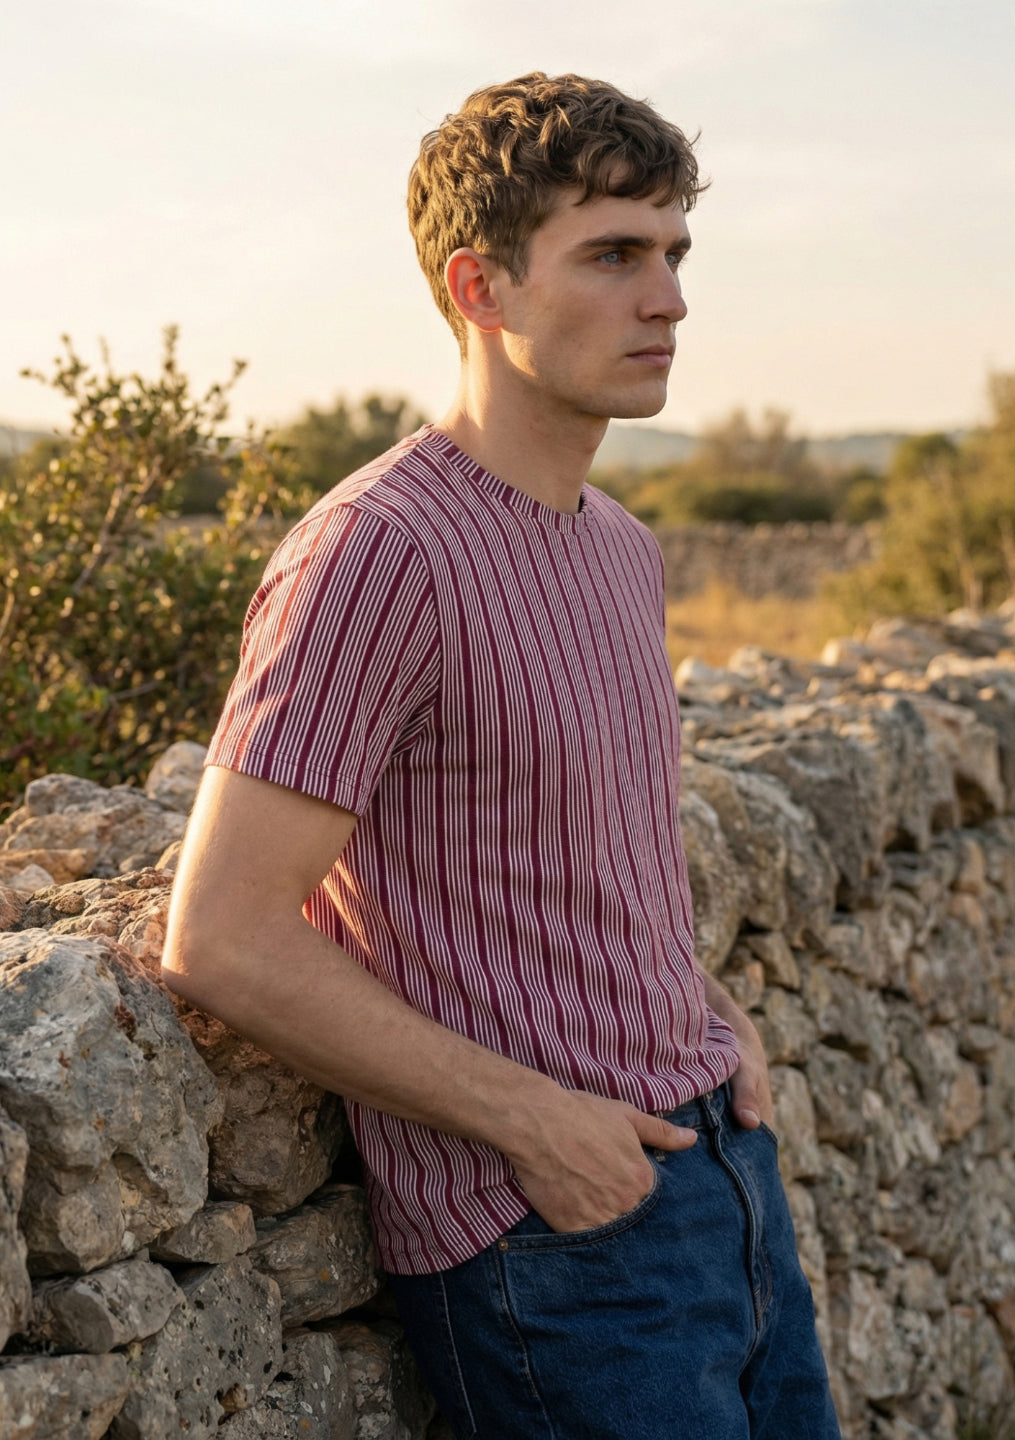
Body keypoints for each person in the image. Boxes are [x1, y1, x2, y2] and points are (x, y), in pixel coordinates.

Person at [162, 72, 841, 1439]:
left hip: (722, 1176)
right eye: (614, 255)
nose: (670, 300)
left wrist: (704, 1014)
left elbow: (583, 848)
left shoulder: (622, 546)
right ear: (480, 289)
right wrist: (535, 1125)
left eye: (675, 254)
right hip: (554, 1240)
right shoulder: (377, 552)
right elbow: (222, 935)